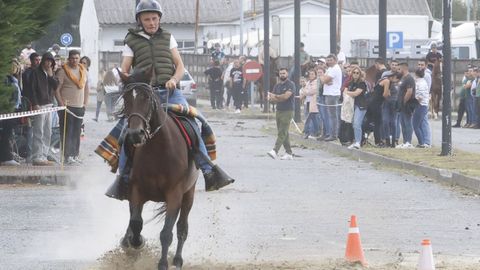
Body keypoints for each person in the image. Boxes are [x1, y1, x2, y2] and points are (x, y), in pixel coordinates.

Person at [105, 0, 233, 200]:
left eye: (154, 18)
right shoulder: (130, 40)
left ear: (159, 19)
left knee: (194, 122)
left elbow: (180, 66)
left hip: (171, 92)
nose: (151, 22)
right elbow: (125, 69)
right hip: (146, 94)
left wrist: (174, 79)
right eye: (147, 19)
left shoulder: (168, 37)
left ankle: (208, 168)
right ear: (140, 20)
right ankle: (123, 177)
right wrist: (123, 80)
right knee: (125, 130)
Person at [55, 50, 89, 164]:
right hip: (67, 106)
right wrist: (60, 103)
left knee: (77, 132)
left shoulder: (83, 70)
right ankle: (66, 156)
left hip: (79, 107)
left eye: (76, 58)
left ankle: (74, 155)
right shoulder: (62, 71)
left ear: (79, 59)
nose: (75, 60)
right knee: (67, 132)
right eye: (72, 58)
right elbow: (57, 90)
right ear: (69, 59)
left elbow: (86, 88)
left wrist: (85, 103)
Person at [29, 52, 59, 165]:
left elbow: (56, 86)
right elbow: (32, 89)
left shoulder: (51, 72)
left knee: (48, 131)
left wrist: (51, 75)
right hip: (40, 104)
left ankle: (44, 155)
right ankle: (37, 156)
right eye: (47, 60)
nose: (49, 63)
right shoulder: (35, 72)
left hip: (49, 105)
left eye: (51, 61)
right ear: (43, 61)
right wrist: (35, 103)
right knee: (39, 131)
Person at [267, 68, 295, 160]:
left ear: (287, 74)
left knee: (282, 132)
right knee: (283, 132)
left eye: (284, 73)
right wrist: (275, 97)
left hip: (288, 110)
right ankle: (289, 153)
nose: (282, 75)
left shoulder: (290, 84)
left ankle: (275, 151)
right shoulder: (277, 85)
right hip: (279, 110)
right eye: (280, 73)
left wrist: (276, 96)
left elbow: (286, 97)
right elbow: (271, 99)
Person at [1, 59, 23, 166]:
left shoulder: (15, 79)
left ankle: (7, 156)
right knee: (6, 134)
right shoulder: (6, 80)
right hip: (7, 111)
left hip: (14, 110)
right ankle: (6, 157)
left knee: (9, 134)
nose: (15, 68)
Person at [319, 54, 342, 141]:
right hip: (328, 93)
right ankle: (329, 133)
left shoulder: (335, 68)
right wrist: (324, 79)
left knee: (333, 116)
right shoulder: (330, 69)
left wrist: (322, 78)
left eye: (331, 60)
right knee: (329, 115)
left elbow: (324, 80)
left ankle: (334, 135)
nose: (328, 62)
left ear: (335, 60)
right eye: (327, 60)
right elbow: (324, 80)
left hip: (332, 94)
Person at [345, 66, 368, 149]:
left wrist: (347, 92)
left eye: (357, 73)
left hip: (361, 105)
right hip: (352, 105)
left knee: (357, 123)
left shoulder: (362, 83)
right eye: (354, 72)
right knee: (353, 124)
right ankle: (355, 141)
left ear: (360, 74)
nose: (355, 74)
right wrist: (347, 92)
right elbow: (345, 90)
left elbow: (356, 93)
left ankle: (358, 142)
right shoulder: (351, 83)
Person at [396, 62, 416, 149]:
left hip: (407, 104)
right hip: (401, 105)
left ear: (404, 69)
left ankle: (408, 142)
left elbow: (409, 91)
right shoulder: (402, 78)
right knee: (402, 123)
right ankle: (404, 141)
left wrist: (404, 101)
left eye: (399, 69)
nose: (398, 71)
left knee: (407, 123)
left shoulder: (409, 78)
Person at [381, 71, 401, 148]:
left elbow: (396, 95)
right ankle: (387, 140)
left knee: (393, 123)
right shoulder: (387, 84)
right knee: (385, 121)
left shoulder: (397, 85)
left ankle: (393, 141)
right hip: (386, 104)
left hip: (394, 104)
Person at [412, 68, 431, 148]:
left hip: (420, 105)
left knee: (415, 125)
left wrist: (415, 101)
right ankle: (422, 141)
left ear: (416, 74)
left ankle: (421, 142)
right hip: (424, 105)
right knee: (419, 124)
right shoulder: (422, 82)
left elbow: (420, 96)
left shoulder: (420, 83)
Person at [299, 69, 320, 139]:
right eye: (310, 74)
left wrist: (305, 91)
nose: (311, 75)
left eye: (312, 74)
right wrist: (305, 92)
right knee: (309, 118)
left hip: (313, 103)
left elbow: (311, 91)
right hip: (307, 102)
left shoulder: (316, 82)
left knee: (311, 118)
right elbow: (304, 90)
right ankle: (311, 132)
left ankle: (310, 132)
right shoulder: (308, 82)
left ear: (315, 75)